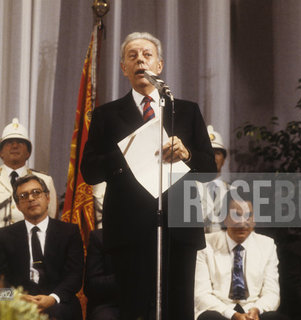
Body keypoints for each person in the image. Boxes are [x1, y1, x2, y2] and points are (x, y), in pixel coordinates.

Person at [81, 31, 216, 319]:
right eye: (133, 56)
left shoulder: (186, 111)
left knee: (178, 309)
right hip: (130, 229)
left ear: (159, 65)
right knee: (133, 309)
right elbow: (89, 172)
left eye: (147, 55)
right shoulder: (106, 115)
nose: (140, 60)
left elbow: (208, 170)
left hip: (180, 226)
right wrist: (127, 150)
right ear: (124, 68)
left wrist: (187, 155)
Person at [0, 174, 83, 320]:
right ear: (18, 205)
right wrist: (18, 298)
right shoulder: (5, 235)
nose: (31, 198)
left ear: (47, 198)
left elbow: (75, 275)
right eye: (24, 195)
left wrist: (52, 298)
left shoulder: (69, 232)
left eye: (36, 192)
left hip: (57, 300)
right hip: (18, 302)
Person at [194, 192, 286, 320]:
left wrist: (256, 310)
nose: (242, 222)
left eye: (248, 216)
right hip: (220, 310)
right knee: (209, 317)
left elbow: (272, 292)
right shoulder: (205, 244)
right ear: (225, 218)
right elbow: (201, 294)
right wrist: (232, 314)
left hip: (252, 309)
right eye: (236, 215)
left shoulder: (267, 245)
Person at [0, 118, 57, 241]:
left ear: (28, 152)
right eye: (9, 142)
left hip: (30, 247)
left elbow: (50, 220)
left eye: (20, 142)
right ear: (1, 152)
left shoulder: (44, 180)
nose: (15, 146)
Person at [197, 125, 230, 233]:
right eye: (209, 152)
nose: (213, 157)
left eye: (218, 153)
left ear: (224, 159)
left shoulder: (234, 191)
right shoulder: (190, 189)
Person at [84, 228, 120, 320]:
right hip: (110, 304)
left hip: (146, 302)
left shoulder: (152, 235)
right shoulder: (99, 237)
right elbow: (91, 286)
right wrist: (124, 277)